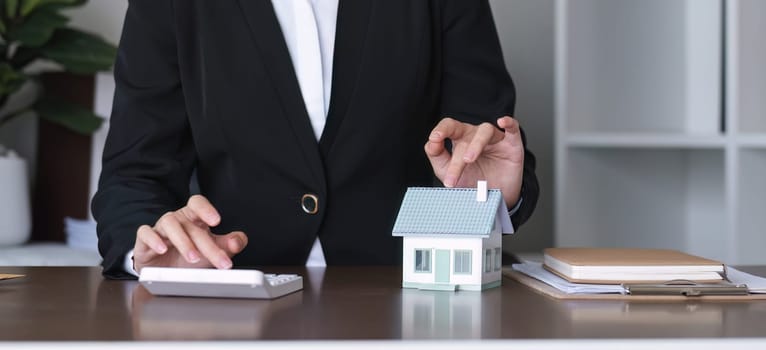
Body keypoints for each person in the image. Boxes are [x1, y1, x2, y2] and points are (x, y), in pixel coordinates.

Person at [93, 0, 539, 279]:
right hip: (231, 308)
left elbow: (486, 147)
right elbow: (133, 176)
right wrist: (149, 249)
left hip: (412, 305)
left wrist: (489, 196)